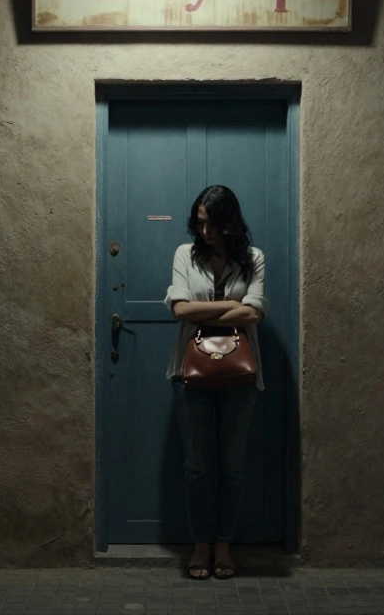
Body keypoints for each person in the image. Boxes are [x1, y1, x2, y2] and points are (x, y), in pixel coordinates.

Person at [163, 184, 268, 580]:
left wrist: (205, 312)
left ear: (230, 223)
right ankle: (200, 545)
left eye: (213, 225)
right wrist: (233, 307)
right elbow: (180, 309)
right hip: (188, 374)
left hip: (240, 375)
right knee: (196, 468)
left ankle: (224, 544)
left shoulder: (253, 259)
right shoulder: (184, 255)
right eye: (200, 224)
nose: (205, 233)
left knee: (233, 468)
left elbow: (255, 315)